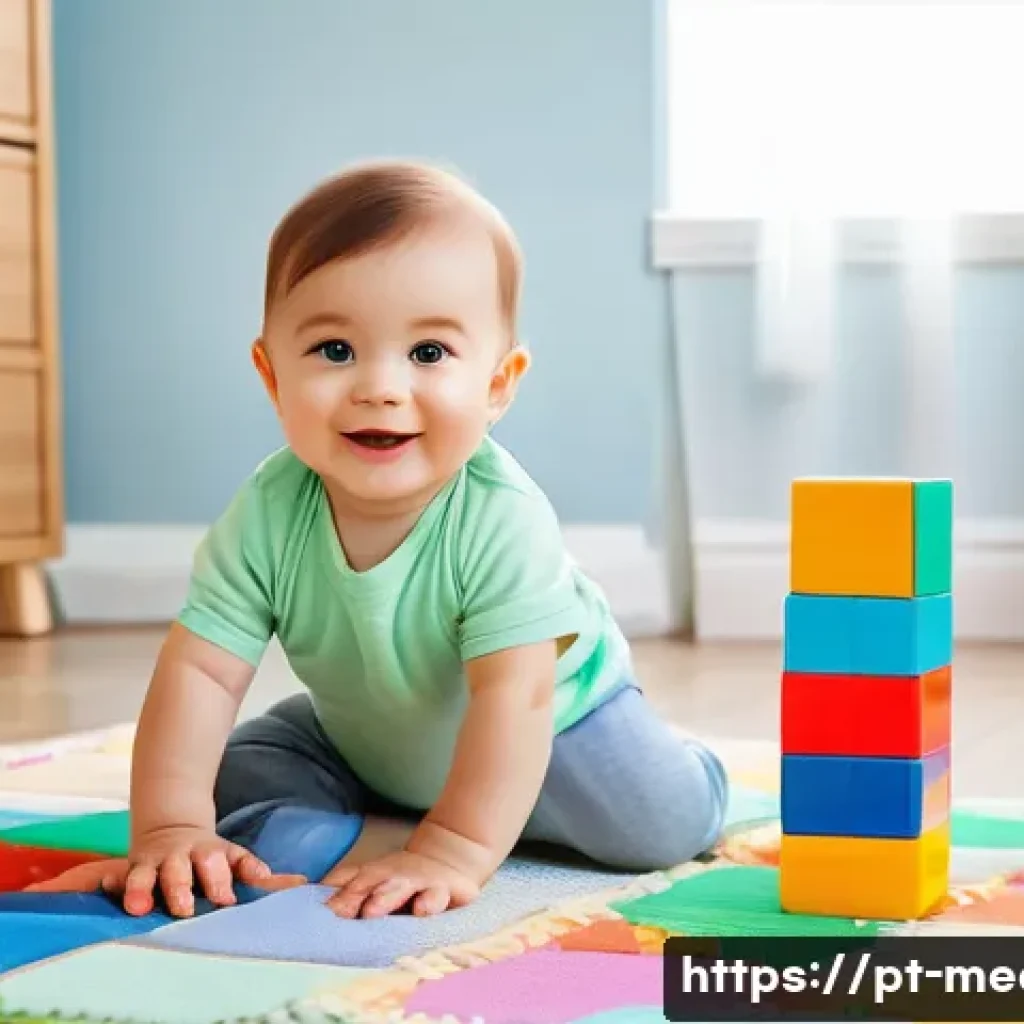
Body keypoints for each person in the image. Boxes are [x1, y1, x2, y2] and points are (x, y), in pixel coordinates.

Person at [49, 160, 728, 921]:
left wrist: (454, 849)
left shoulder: (499, 517)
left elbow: (517, 692)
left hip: (555, 726)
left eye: (428, 354)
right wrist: (170, 829)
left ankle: (639, 780)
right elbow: (203, 673)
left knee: (657, 825)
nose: (379, 386)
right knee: (225, 782)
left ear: (498, 384)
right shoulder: (268, 512)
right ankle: (404, 810)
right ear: (272, 377)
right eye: (335, 350)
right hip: (371, 734)